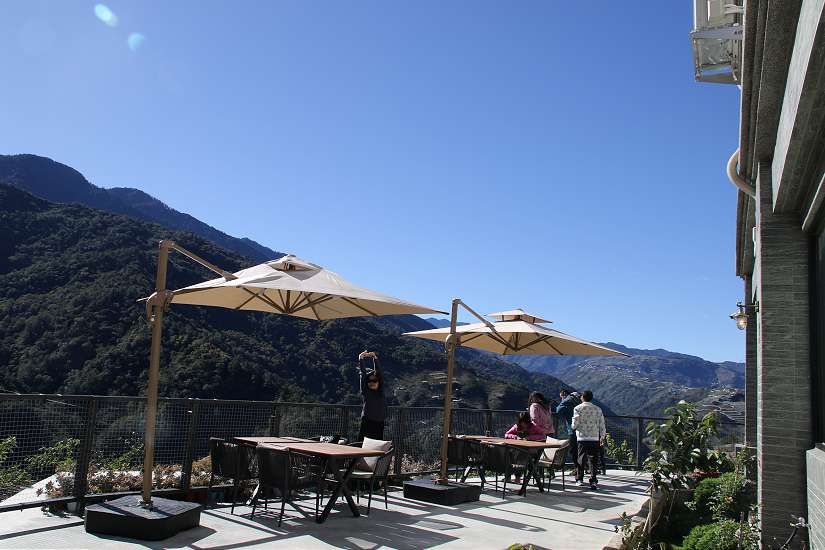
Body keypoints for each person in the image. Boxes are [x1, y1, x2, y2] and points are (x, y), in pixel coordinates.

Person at [571, 390, 606, 490]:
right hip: (594, 437)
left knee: (581, 458)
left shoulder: (577, 408)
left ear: (582, 397)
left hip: (582, 437)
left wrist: (573, 427)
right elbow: (602, 424)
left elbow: (575, 423)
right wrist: (602, 437)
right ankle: (593, 480)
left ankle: (579, 479)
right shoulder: (598, 409)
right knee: (593, 459)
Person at [357, 350, 387, 441]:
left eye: (374, 380)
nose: (372, 382)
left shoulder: (379, 391)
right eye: (370, 381)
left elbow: (378, 373)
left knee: (374, 444)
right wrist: (361, 359)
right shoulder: (367, 392)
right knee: (365, 443)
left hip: (377, 420)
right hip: (371, 420)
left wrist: (374, 358)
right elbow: (364, 374)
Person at [556, 389, 580, 473]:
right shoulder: (578, 399)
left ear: (563, 395)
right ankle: (585, 467)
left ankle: (577, 469)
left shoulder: (566, 401)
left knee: (573, 450)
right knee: (581, 449)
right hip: (584, 429)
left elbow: (558, 411)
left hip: (572, 429)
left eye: (561, 397)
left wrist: (562, 401)